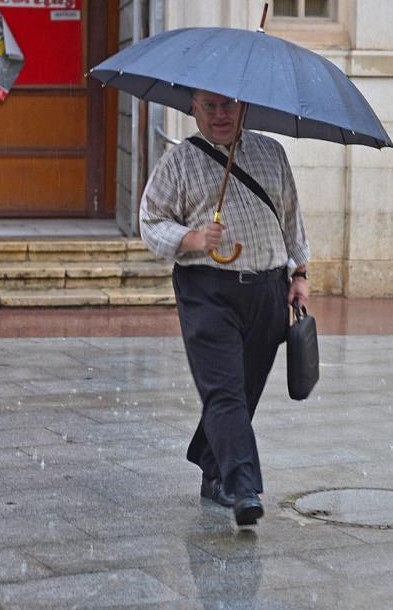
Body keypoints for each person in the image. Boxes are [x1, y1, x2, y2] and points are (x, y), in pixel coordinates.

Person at [139, 88, 310, 527]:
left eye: (228, 105)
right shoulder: (178, 162)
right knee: (225, 391)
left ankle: (211, 464)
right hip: (207, 291)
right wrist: (191, 239)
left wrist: (300, 274)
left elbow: (291, 218)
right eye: (209, 106)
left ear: (244, 106)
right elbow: (151, 220)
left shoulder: (272, 154)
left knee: (244, 389)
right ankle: (242, 485)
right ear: (193, 109)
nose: (220, 115)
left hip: (268, 290)